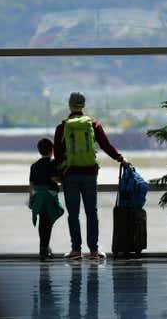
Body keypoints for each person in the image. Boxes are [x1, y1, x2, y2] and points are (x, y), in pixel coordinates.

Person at [54, 92, 128, 260]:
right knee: (91, 212)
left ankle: (76, 250)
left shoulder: (62, 126)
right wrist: (120, 159)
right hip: (89, 174)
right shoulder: (93, 124)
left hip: (70, 175)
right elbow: (105, 145)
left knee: (73, 213)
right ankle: (94, 250)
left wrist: (59, 174)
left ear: (70, 106)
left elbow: (57, 154)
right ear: (84, 106)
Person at [29, 138, 65, 260]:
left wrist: (31, 199)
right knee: (47, 222)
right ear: (52, 150)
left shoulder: (34, 166)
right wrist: (62, 179)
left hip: (38, 197)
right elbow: (55, 179)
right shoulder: (52, 163)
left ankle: (44, 247)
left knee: (42, 221)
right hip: (49, 197)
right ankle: (44, 249)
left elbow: (31, 184)